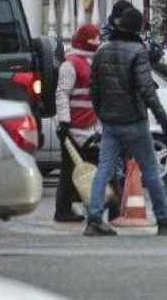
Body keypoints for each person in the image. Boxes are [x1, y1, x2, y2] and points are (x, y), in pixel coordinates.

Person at [84, 7, 167, 236]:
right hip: (134, 120)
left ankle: (93, 218)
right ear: (136, 27)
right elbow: (147, 89)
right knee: (150, 169)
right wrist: (161, 117)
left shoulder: (103, 50)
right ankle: (164, 217)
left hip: (110, 121)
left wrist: (101, 111)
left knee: (104, 169)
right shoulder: (137, 51)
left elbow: (93, 87)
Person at [53, 24, 103, 223]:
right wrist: (64, 122)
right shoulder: (71, 64)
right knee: (68, 171)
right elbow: (62, 94)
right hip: (74, 126)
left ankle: (93, 205)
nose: (97, 42)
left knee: (93, 169)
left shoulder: (95, 62)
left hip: (92, 125)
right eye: (93, 39)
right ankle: (63, 210)